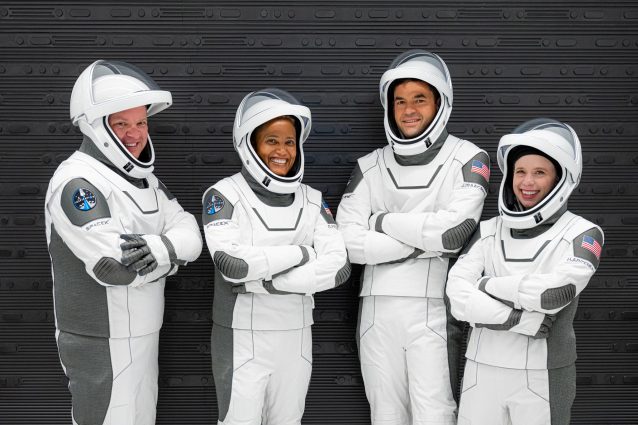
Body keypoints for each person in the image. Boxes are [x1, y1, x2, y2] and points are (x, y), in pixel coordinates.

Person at [44, 60, 203, 425]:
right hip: (100, 338)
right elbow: (114, 268)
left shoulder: (148, 182)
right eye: (121, 124)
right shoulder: (77, 182)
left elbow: (191, 233)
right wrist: (173, 257)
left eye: (141, 123)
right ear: (96, 126)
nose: (135, 134)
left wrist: (158, 251)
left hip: (145, 331)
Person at [336, 50, 490, 425]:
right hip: (375, 311)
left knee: (434, 412)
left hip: (433, 308)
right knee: (385, 414)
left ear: (440, 103)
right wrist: (421, 243)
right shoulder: (370, 165)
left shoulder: (470, 158)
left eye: (419, 99)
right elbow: (346, 242)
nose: (408, 110)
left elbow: (451, 235)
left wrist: (380, 220)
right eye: (399, 101)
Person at [202, 88, 351, 425]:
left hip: (296, 336)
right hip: (241, 337)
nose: (282, 151)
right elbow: (233, 264)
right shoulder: (223, 195)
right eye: (271, 141)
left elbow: (339, 267)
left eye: (289, 142)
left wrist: (266, 284)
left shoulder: (313, 200)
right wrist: (303, 252)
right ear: (250, 144)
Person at [446, 118, 604, 425]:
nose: (527, 182)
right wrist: (518, 319)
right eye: (520, 171)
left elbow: (552, 295)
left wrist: (485, 285)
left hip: (543, 374)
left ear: (561, 178)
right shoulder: (488, 230)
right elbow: (455, 297)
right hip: (481, 370)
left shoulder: (584, 233)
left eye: (539, 172)